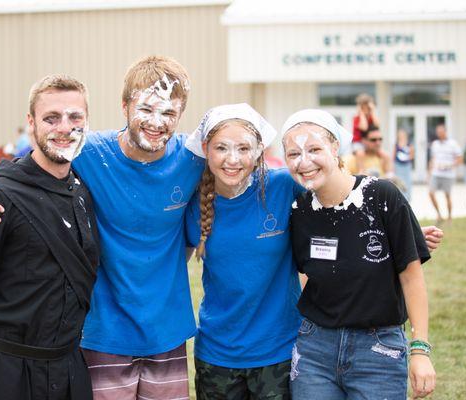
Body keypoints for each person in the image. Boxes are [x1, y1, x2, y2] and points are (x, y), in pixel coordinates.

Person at [0, 56, 204, 399]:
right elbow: (33, 162)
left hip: (167, 332)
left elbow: (239, 160)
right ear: (124, 106)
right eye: (146, 109)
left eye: (169, 113)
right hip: (102, 331)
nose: (157, 122)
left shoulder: (192, 158)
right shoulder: (87, 150)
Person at [0, 75, 100, 400]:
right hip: (7, 373)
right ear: (31, 122)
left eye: (75, 117)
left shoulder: (82, 189)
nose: (65, 127)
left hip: (69, 369)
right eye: (51, 118)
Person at [282, 109, 436, 400]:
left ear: (335, 147)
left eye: (314, 149)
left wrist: (420, 350)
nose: (304, 161)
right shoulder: (299, 211)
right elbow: (307, 273)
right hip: (314, 350)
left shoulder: (382, 196)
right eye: (293, 154)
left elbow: (412, 278)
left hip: (378, 350)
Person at [184, 104, 302, 399]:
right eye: (221, 148)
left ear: (259, 150)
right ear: (205, 149)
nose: (232, 159)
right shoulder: (193, 205)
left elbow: (336, 203)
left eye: (243, 148)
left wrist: (399, 237)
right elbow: (165, 262)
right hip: (217, 355)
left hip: (279, 351)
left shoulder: (284, 187)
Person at [428, 123, 463, 223]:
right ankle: (439, 215)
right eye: (438, 132)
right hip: (436, 173)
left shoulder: (453, 144)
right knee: (431, 193)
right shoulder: (435, 144)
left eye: (441, 131)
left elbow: (460, 159)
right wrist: (429, 173)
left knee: (447, 195)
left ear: (445, 132)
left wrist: (450, 165)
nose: (439, 133)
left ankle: (449, 217)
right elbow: (433, 159)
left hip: (448, 174)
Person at [394, 129, 414, 201]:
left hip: (406, 165)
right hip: (398, 165)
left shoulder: (409, 144)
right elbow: (393, 155)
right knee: (399, 181)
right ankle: (400, 197)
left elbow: (412, 155)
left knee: (407, 181)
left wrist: (405, 158)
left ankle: (407, 197)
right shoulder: (396, 144)